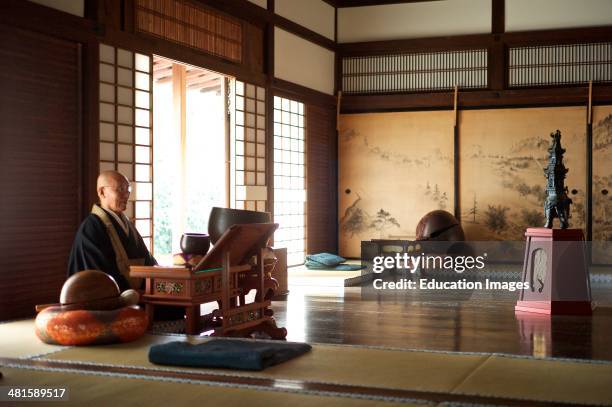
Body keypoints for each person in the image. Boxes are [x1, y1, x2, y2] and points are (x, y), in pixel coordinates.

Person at [68, 170, 155, 292]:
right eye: (120, 189)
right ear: (102, 192)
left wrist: (160, 275)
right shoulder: (91, 227)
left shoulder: (128, 225)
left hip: (137, 295)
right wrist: (130, 293)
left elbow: (147, 260)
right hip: (109, 300)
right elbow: (100, 273)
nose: (126, 195)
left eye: (128, 189)